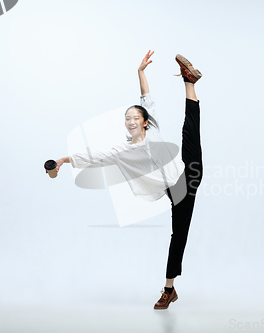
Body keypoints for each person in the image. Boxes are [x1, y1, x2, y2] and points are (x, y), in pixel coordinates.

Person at [49, 50, 203, 310]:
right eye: (127, 119)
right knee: (179, 235)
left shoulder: (152, 130)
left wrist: (140, 72)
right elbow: (94, 157)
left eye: (135, 117)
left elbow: (146, 97)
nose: (131, 121)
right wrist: (64, 160)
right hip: (178, 191)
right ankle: (170, 289)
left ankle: (189, 81)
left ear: (145, 123)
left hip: (189, 169)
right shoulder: (123, 151)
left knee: (190, 128)